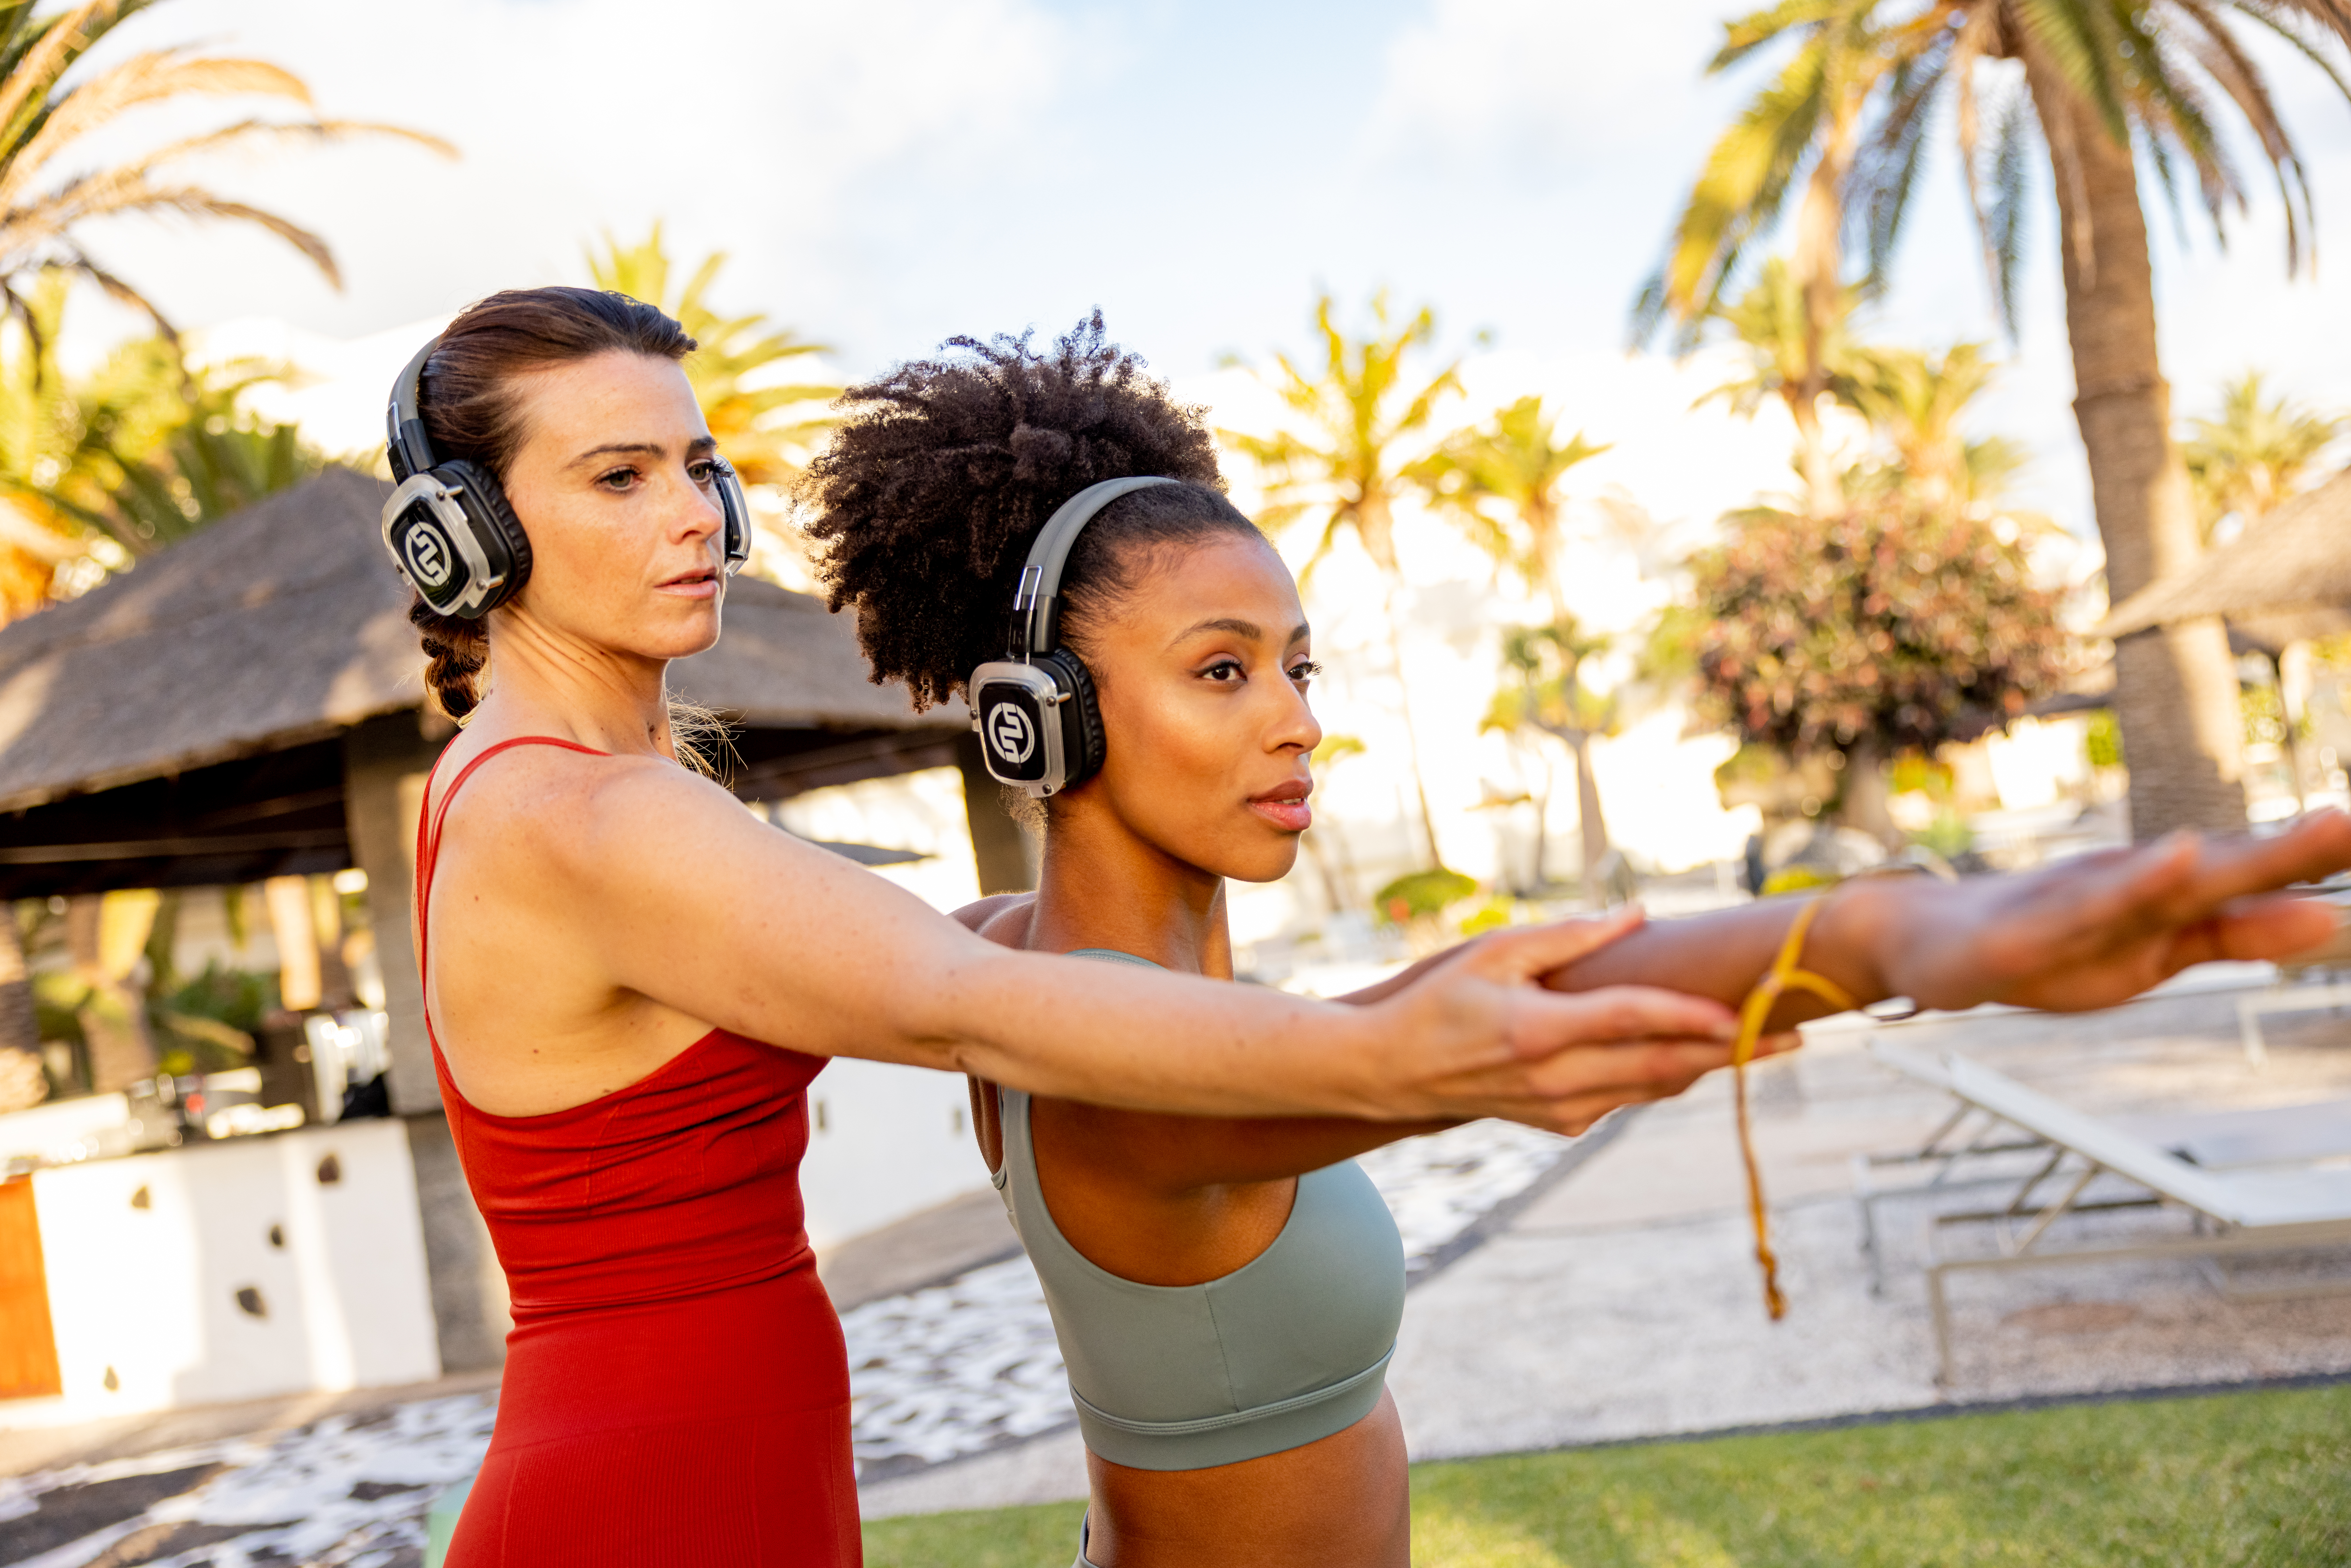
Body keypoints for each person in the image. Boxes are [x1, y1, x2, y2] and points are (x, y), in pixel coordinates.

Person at [800, 314, 2351, 1568]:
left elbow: (1404, 995)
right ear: (1039, 719)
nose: (1298, 722)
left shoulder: (1009, 965)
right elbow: (1492, 1006)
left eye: (1298, 663)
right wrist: (1910, 930)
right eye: (1221, 673)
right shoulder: (1114, 1074)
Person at [390, 287, 1773, 1568]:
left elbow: (964, 955)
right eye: (618, 477)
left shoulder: (548, 797)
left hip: (714, 1458)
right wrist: (1403, 1065)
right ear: (465, 533)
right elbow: (949, 1000)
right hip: (643, 1498)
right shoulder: (578, 817)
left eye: (699, 466)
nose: (695, 514)